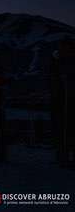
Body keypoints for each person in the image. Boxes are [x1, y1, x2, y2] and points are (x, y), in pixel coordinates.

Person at [51, 38, 75, 167]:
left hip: (69, 98)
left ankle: (66, 156)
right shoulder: (56, 61)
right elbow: (52, 77)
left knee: (69, 128)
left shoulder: (68, 61)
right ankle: (61, 156)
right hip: (60, 99)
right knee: (60, 128)